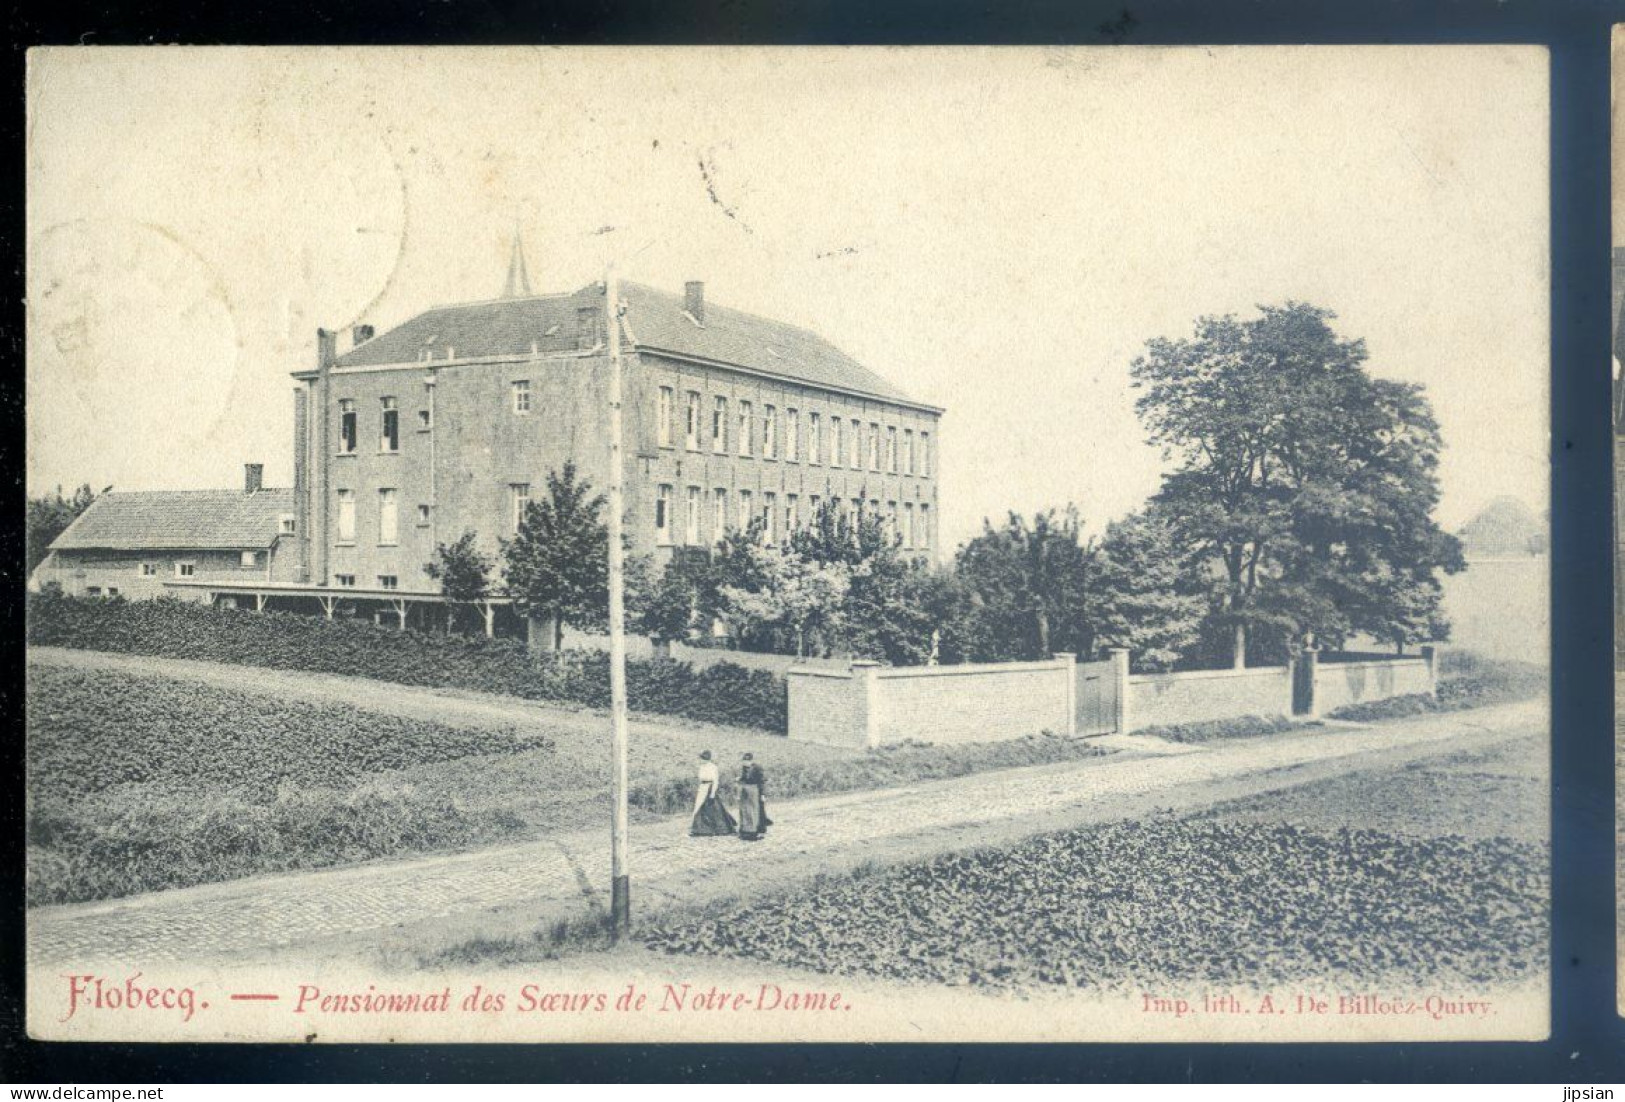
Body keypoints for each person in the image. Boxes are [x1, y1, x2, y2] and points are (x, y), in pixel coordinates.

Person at [688, 750, 737, 837]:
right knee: (698, 806)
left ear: (708, 759)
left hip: (709, 787)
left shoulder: (713, 767)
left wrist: (712, 794)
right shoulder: (701, 767)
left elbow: (715, 781)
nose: (702, 760)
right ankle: (697, 827)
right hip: (702, 787)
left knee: (711, 808)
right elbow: (700, 778)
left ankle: (708, 828)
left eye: (704, 758)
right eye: (702, 758)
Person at [737, 752, 772, 841]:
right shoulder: (744, 768)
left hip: (756, 790)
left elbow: (761, 781)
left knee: (756, 811)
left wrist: (763, 794)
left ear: (751, 761)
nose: (745, 763)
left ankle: (757, 830)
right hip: (747, 790)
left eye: (747, 761)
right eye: (744, 761)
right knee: (746, 810)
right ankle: (745, 830)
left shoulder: (757, 768)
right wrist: (740, 779)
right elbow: (744, 778)